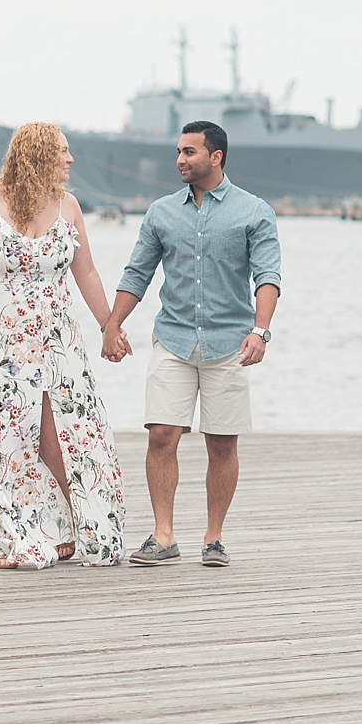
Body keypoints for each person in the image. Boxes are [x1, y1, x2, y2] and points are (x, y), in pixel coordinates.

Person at [0, 122, 128, 569]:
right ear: (39, 154)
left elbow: (86, 272)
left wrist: (110, 325)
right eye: (63, 152)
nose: (70, 160)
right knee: (6, 440)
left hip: (57, 339)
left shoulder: (70, 206)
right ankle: (25, 534)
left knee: (67, 436)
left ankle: (78, 527)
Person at [104, 121, 280, 568]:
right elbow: (137, 273)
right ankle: (163, 535)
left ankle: (214, 538)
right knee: (162, 434)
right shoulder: (161, 212)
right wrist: (112, 324)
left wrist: (260, 331)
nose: (180, 160)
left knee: (221, 444)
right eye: (178, 152)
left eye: (189, 152)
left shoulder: (254, 211)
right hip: (174, 339)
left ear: (215, 156)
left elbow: (268, 277)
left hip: (230, 344)